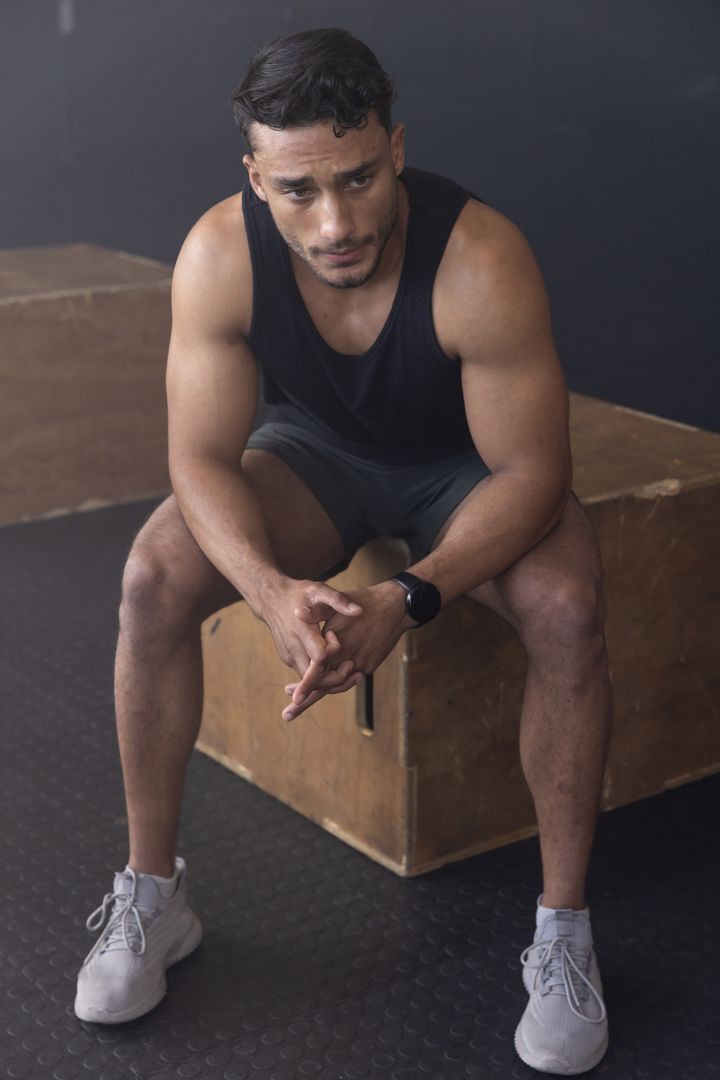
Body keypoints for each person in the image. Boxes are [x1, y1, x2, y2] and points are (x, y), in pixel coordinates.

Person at [74, 26, 611, 1076]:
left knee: (569, 611)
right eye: (298, 190)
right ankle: (152, 895)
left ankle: (563, 933)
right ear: (255, 177)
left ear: (395, 148)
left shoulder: (480, 257)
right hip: (317, 458)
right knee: (152, 576)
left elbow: (533, 476)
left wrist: (406, 599)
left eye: (359, 177)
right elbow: (197, 455)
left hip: (469, 465)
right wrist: (271, 591)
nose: (334, 222)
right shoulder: (221, 253)